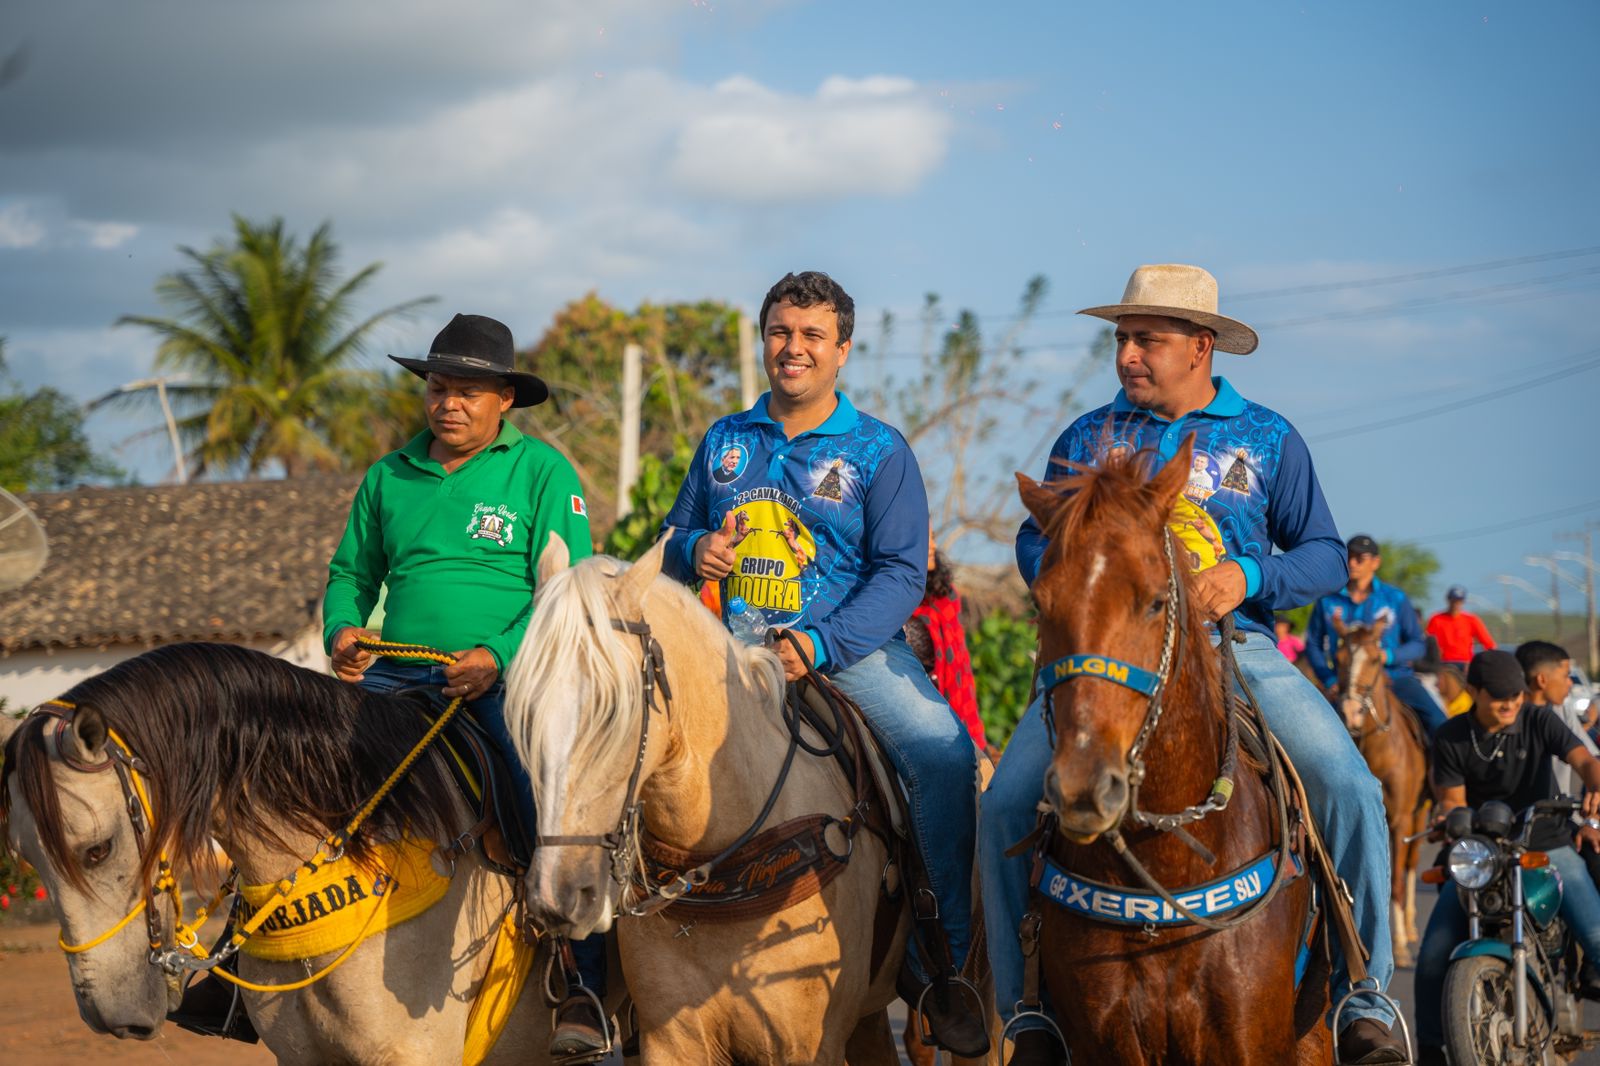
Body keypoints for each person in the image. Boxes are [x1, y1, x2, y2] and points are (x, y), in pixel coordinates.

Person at [984, 263, 1407, 1065]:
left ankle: (1368, 991)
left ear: (1201, 348)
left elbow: (1319, 552)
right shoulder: (1087, 438)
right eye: (1122, 339)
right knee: (1005, 804)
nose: (1128, 355)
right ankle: (1025, 1009)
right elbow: (1037, 538)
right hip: (1107, 663)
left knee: (1348, 783)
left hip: (1236, 651)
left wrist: (1247, 576)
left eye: (1147, 340)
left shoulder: (1268, 437)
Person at [658, 270, 987, 1057]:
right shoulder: (726, 441)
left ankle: (940, 967)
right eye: (780, 332)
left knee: (942, 758)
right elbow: (670, 540)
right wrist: (694, 548)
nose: (793, 348)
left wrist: (820, 643)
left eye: (811, 336)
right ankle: (598, 965)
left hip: (846, 657)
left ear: (842, 349)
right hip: (731, 658)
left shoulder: (879, 450)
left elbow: (904, 572)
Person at [320, 313, 611, 1060]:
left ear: (505, 399)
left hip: (502, 681)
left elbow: (567, 590)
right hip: (393, 672)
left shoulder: (541, 473)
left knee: (547, 801)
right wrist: (343, 629)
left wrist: (498, 656)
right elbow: (352, 572)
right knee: (303, 784)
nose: (448, 403)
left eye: (467, 392)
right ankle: (241, 958)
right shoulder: (389, 475)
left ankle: (583, 982)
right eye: (438, 388)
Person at [1411, 650, 1600, 1065]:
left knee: (1597, 937)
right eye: (1499, 697)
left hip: (1546, 844)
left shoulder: (1538, 719)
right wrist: (1449, 817)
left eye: (1515, 695)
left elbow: (1585, 759)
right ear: (1472, 692)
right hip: (1484, 853)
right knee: (1430, 958)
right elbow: (1452, 800)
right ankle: (1429, 1050)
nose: (1511, 704)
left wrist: (1594, 784)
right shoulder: (1451, 737)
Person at [1307, 535, 1448, 738]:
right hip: (1344, 685)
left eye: (1360, 558)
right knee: (1306, 734)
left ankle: (1441, 770)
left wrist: (1387, 656)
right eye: (1349, 557)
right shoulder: (1327, 600)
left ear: (1375, 562)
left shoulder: (1395, 598)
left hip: (1396, 679)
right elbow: (1313, 644)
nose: (1352, 562)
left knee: (1439, 722)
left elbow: (1417, 643)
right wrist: (1328, 679)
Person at [904, 525, 986, 751]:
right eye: (924, 537)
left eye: (933, 537)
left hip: (947, 708)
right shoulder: (894, 602)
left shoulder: (945, 598)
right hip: (906, 706)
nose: (933, 546)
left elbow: (961, 671)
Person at [1425, 586, 1496, 674]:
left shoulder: (1471, 620)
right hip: (1443, 663)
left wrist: (1481, 663)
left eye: (1459, 601)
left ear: (1463, 602)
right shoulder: (1436, 619)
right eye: (1453, 600)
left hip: (1465, 664)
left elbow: (1489, 644)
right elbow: (1427, 643)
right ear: (1448, 600)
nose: (1456, 604)